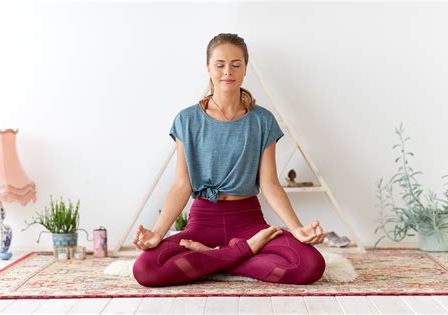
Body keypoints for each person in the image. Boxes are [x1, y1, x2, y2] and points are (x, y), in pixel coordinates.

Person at [132, 33, 327, 287]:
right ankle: (242, 252)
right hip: (203, 222)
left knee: (311, 265)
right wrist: (157, 233)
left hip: (248, 221)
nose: (228, 71)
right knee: (146, 269)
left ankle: (211, 257)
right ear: (208, 69)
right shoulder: (186, 120)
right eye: (220, 64)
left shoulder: (262, 120)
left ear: (245, 69)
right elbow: (182, 185)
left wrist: (298, 228)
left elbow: (269, 184)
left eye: (236, 64)